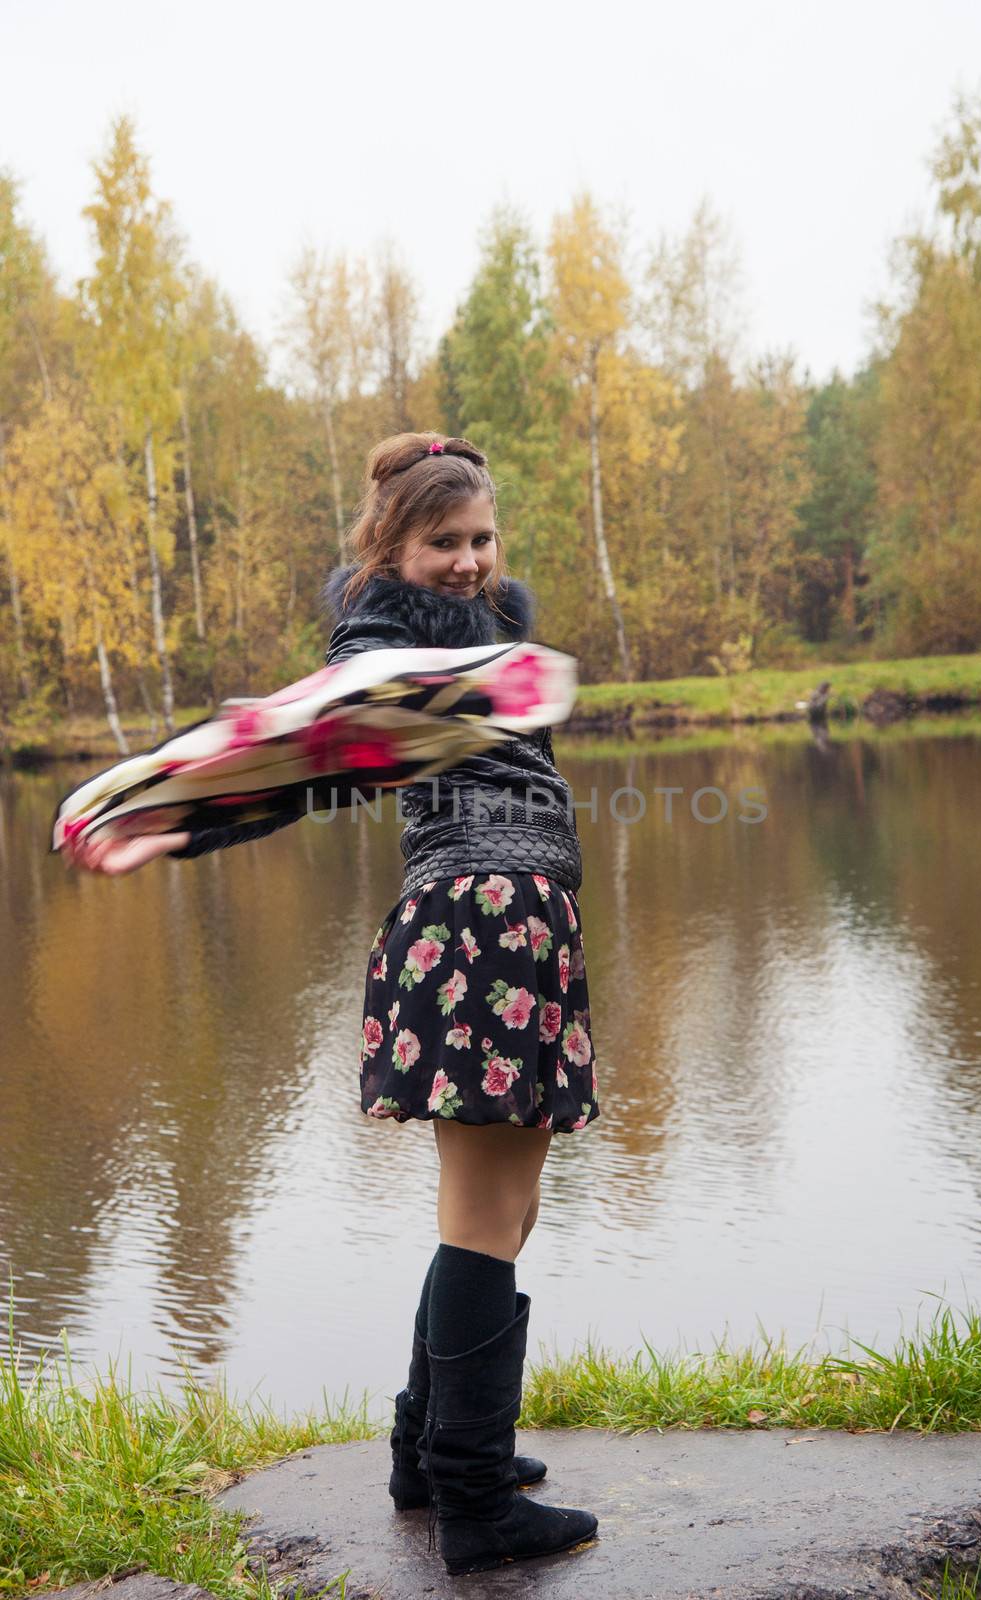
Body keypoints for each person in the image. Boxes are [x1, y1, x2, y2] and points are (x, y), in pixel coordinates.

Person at [61, 431, 601, 1578]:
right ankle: (473, 1499)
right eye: (440, 541)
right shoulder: (379, 649)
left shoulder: (493, 634)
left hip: (516, 912)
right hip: (483, 919)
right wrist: (180, 819)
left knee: (506, 1207)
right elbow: (303, 759)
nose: (467, 561)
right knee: (484, 1211)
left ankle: (433, 1446)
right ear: (391, 548)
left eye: (480, 538)